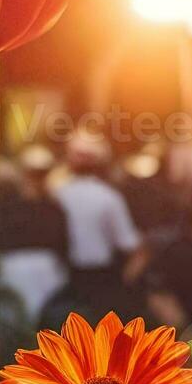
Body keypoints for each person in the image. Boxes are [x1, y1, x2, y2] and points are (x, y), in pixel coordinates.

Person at [52, 132, 146, 316]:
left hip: (65, 276)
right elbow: (129, 244)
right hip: (102, 279)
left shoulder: (58, 195)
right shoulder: (109, 197)